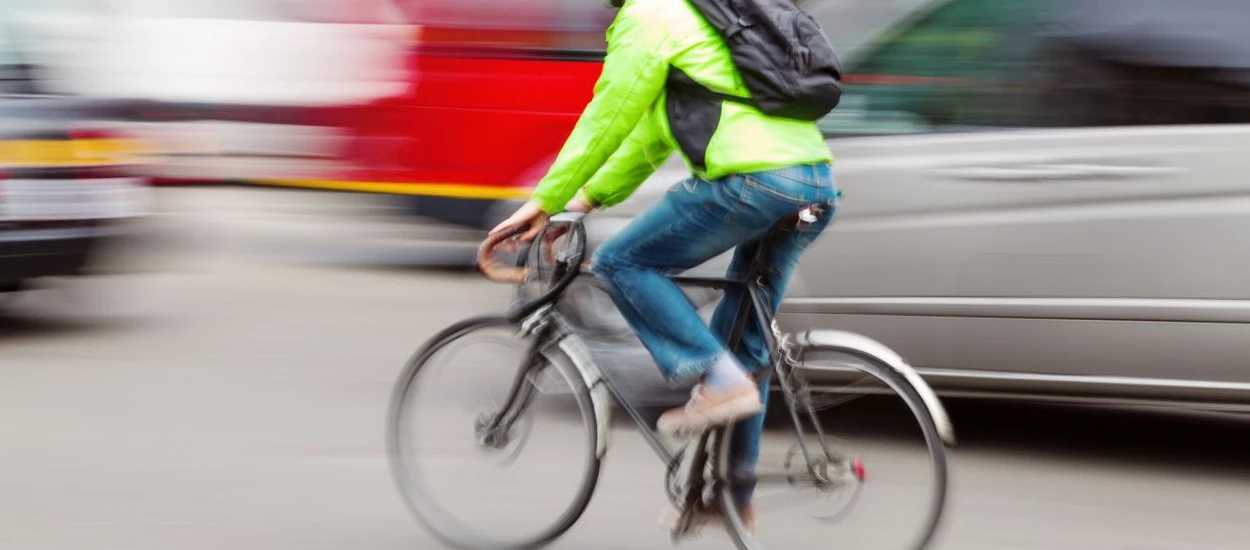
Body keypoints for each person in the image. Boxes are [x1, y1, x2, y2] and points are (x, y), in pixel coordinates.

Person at [489, 0, 838, 531]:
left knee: (623, 262)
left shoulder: (648, 15)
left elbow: (607, 118)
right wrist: (580, 203)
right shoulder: (702, 18)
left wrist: (544, 200)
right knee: (745, 346)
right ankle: (731, 497)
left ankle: (719, 384)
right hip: (813, 185)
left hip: (752, 183)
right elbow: (650, 138)